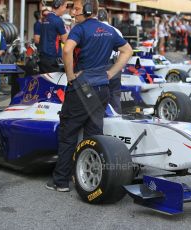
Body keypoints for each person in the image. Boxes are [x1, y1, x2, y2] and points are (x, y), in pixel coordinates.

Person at [45, 0, 133, 192]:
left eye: (76, 9)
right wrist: (111, 73)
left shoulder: (80, 28)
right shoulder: (109, 30)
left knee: (68, 135)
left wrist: (69, 76)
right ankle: (89, 180)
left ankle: (61, 181)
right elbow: (128, 51)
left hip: (81, 89)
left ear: (86, 10)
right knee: (93, 136)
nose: (73, 13)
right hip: (102, 89)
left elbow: (67, 49)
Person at [98, 8, 123, 114]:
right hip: (115, 64)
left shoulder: (94, 30)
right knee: (115, 95)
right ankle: (117, 122)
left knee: (99, 96)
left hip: (100, 65)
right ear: (107, 17)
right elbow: (124, 50)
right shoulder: (116, 31)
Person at [37, 0, 68, 74]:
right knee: (53, 84)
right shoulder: (58, 20)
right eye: (64, 7)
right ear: (59, 6)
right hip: (52, 57)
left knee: (44, 81)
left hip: (42, 56)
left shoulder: (45, 18)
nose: (65, 10)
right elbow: (65, 40)